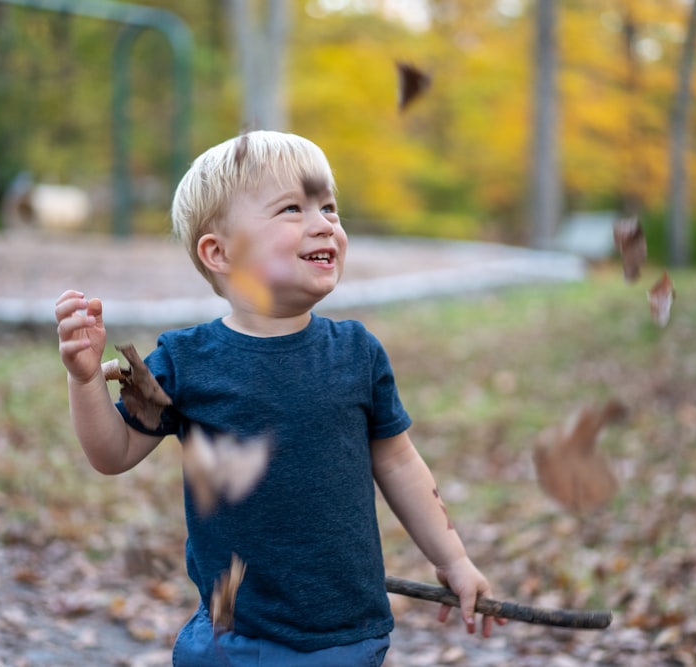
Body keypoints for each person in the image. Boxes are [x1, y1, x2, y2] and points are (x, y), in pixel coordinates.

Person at [55, 130, 503, 666]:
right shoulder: (185, 361)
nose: (324, 223)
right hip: (234, 641)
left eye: (330, 207)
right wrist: (84, 382)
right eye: (292, 208)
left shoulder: (357, 354)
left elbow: (400, 461)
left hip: (346, 637)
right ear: (219, 252)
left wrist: (452, 559)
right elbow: (113, 453)